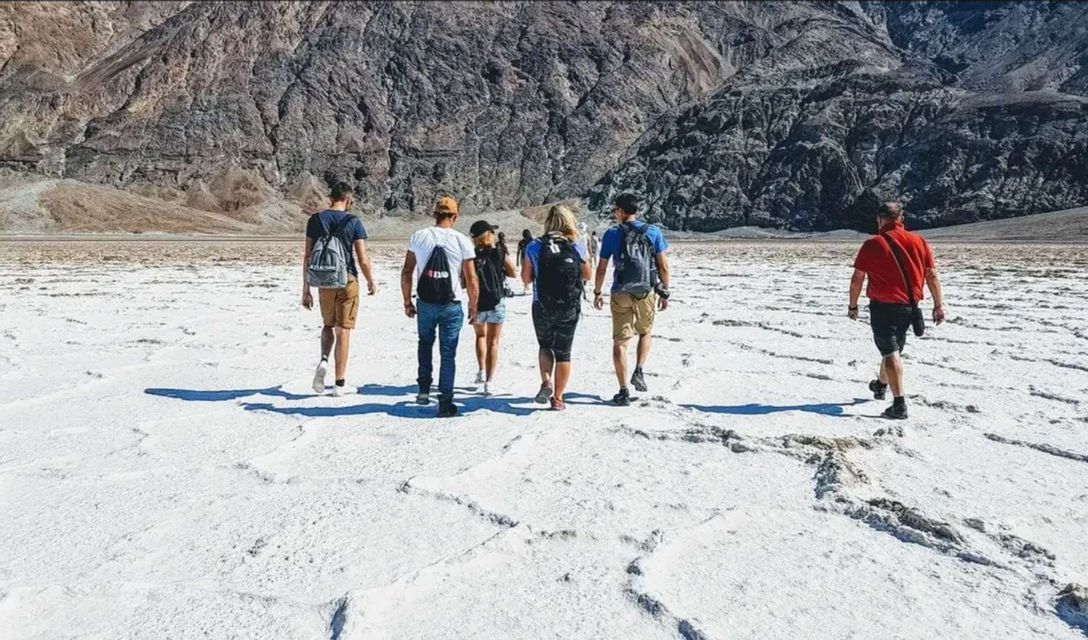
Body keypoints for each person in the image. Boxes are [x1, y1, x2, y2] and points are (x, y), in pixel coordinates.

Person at [849, 202, 945, 420]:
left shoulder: (873, 244)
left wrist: (853, 306)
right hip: (909, 308)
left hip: (883, 307)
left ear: (879, 219)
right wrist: (938, 305)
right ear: (901, 219)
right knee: (892, 349)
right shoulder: (919, 241)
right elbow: (931, 275)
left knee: (891, 351)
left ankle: (899, 403)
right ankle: (881, 385)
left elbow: (857, 279)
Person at [401, 196, 479, 417]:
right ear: (455, 216)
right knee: (448, 353)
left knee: (425, 343)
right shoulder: (462, 240)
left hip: (425, 302)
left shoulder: (419, 236)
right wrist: (474, 307)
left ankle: (424, 390)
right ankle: (445, 401)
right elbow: (471, 279)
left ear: (435, 214)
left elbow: (407, 271)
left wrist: (407, 301)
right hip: (451, 304)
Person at [593, 193, 670, 406]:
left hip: (620, 291)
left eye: (615, 210)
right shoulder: (653, 231)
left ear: (620, 211)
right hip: (646, 291)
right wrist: (664, 292)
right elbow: (663, 266)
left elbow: (601, 268)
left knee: (620, 342)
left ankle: (623, 390)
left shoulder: (611, 234)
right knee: (645, 331)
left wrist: (597, 292)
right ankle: (639, 370)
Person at [302, 181, 377, 396]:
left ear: (330, 198)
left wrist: (305, 290)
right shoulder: (354, 222)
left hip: (323, 280)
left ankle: (324, 359)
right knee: (343, 330)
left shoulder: (315, 220)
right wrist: (371, 280)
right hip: (347, 280)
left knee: (328, 325)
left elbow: (307, 257)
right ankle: (339, 384)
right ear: (348, 199)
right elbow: (362, 259)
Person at [522, 205, 591, 411]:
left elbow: (525, 277)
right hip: (569, 306)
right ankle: (558, 398)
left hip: (541, 305)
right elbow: (587, 275)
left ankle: (546, 381)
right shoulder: (576, 246)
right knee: (564, 353)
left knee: (545, 345)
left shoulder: (534, 246)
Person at [470, 220, 516, 395]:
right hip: (497, 302)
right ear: (488, 234)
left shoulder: (471, 255)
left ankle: (481, 371)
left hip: (477, 303)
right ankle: (489, 381)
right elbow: (513, 272)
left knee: (480, 336)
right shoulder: (499, 252)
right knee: (493, 342)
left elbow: (465, 280)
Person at [516, 229, 533, 294]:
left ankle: (526, 286)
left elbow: (518, 252)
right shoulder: (522, 242)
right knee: (527, 272)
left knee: (526, 273)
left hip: (527, 258)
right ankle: (526, 286)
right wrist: (517, 261)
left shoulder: (531, 241)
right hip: (526, 259)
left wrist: (517, 261)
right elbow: (518, 251)